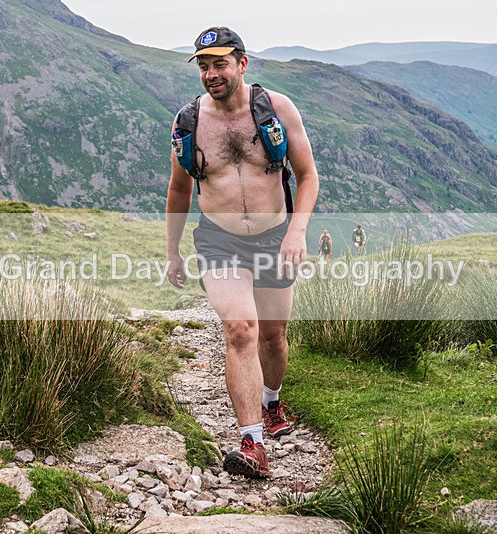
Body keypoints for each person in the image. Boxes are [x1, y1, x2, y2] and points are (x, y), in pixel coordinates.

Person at [166, 26, 319, 479]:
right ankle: (251, 441)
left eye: (219, 64)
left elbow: (307, 176)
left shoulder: (275, 109)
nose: (211, 74)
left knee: (273, 336)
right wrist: (172, 250)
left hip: (275, 238)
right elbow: (179, 189)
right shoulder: (188, 122)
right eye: (203, 66)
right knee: (240, 330)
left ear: (242, 63)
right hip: (219, 240)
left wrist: (297, 232)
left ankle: (271, 401)